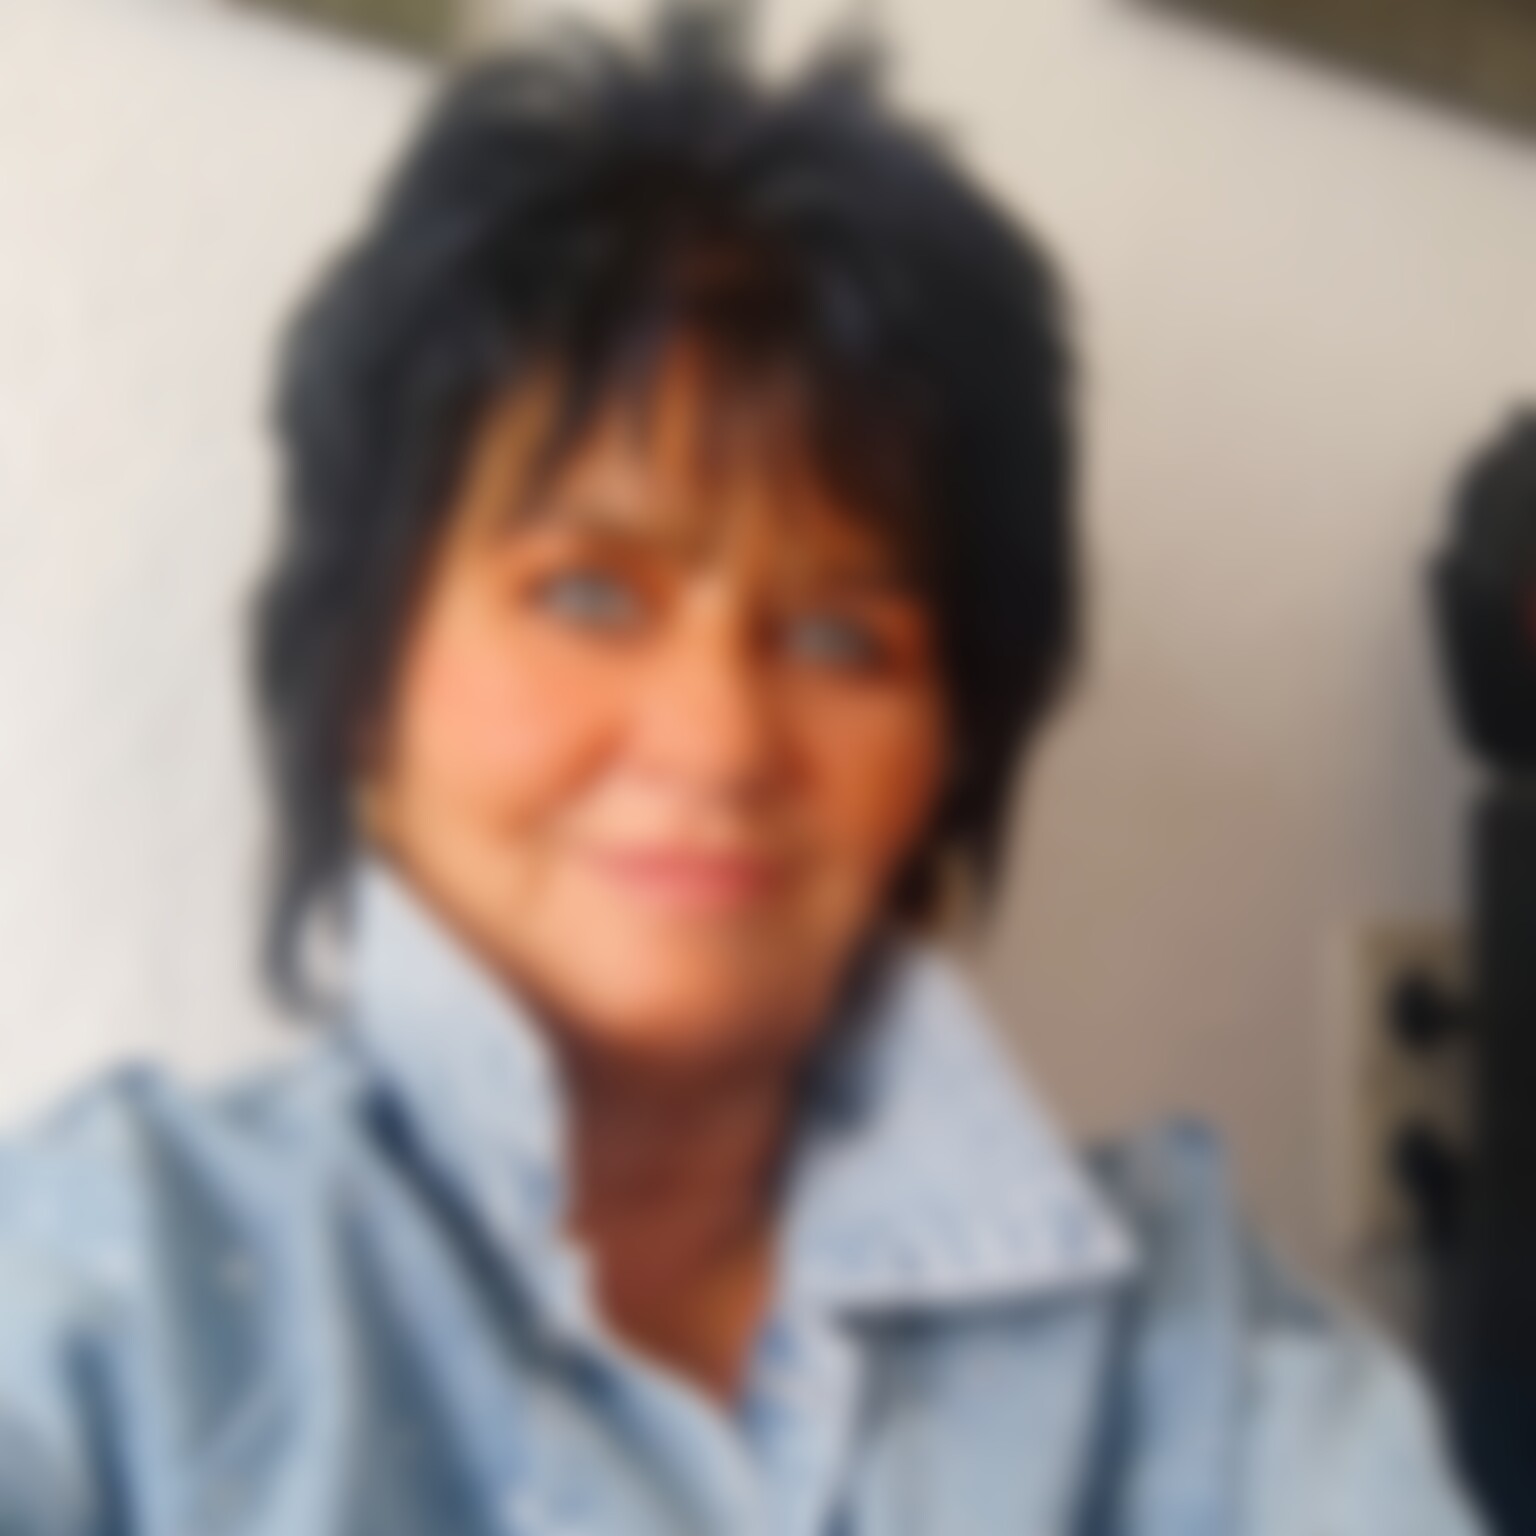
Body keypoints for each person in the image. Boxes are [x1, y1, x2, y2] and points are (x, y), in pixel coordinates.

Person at [0, 4, 1488, 1533]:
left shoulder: (1193, 1352)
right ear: (362, 682)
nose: (717, 741)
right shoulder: (106, 1294)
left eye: (843, 639)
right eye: (589, 595)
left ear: (950, 755)